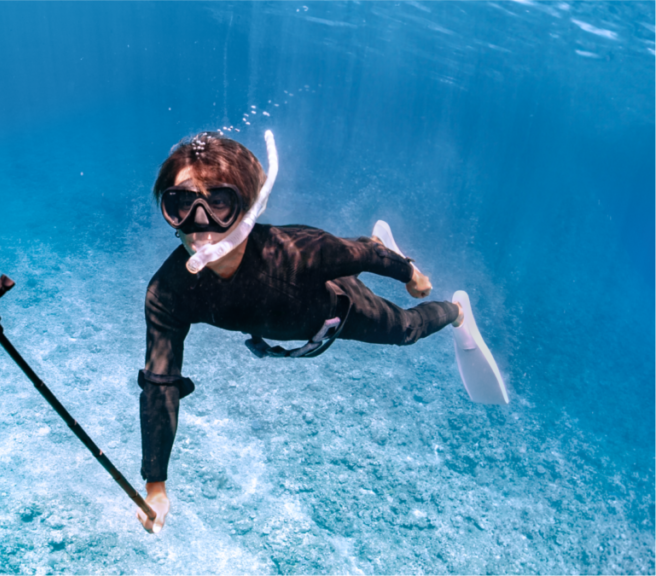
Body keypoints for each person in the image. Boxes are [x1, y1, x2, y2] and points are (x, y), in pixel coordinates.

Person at [135, 131, 466, 533]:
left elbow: (363, 256)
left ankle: (455, 311)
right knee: (362, 265)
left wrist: (410, 273)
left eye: (219, 202)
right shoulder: (168, 292)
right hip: (288, 318)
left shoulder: (299, 251)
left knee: (406, 329)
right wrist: (156, 487)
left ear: (248, 207)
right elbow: (160, 385)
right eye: (183, 204)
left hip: (338, 306)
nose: (200, 223)